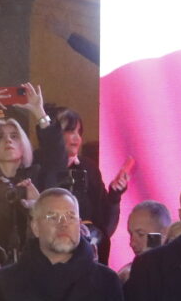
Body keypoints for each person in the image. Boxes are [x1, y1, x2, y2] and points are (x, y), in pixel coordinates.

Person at [0, 84, 63, 259]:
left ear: (24, 144)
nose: (7, 140)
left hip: (34, 265)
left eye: (14, 136)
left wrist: (39, 112)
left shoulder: (35, 177)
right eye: (0, 136)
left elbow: (57, 161)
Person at [45, 107, 127, 265]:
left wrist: (114, 195)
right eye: (70, 131)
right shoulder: (41, 167)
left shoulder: (88, 167)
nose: (76, 137)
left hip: (90, 256)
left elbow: (105, 225)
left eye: (79, 132)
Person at [116, 201, 171, 282]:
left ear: (163, 233)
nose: (132, 243)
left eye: (141, 234)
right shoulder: (126, 275)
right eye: (131, 234)